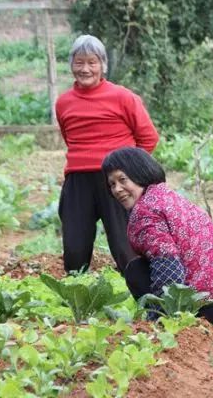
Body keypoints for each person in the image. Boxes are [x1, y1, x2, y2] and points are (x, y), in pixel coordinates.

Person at [102, 146, 213, 335]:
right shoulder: (165, 195)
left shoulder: (145, 212)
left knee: (136, 271)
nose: (117, 189)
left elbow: (168, 269)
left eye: (123, 180)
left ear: (139, 173)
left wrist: (160, 323)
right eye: (112, 184)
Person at [56, 35, 159, 274]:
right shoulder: (63, 103)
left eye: (92, 62)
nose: (85, 69)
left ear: (103, 65)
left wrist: (130, 172)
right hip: (78, 181)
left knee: (126, 246)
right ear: (71, 65)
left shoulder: (123, 97)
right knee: (74, 246)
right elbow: (71, 138)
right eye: (79, 62)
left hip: (116, 180)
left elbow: (148, 137)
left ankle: (142, 297)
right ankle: (77, 294)